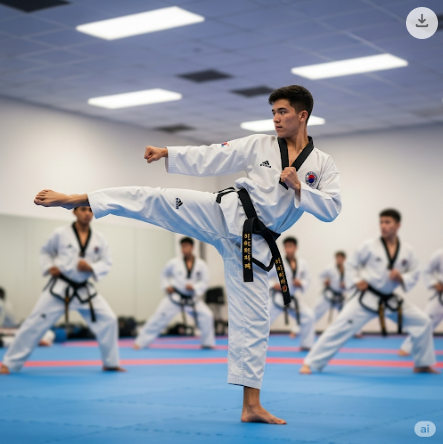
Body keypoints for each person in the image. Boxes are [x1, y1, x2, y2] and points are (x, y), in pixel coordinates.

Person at [33, 85, 341, 424]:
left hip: (254, 247)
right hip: (222, 212)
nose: (276, 119)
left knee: (255, 323)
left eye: (282, 112)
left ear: (302, 115)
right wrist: (168, 152)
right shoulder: (259, 144)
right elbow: (213, 155)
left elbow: (332, 209)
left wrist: (300, 186)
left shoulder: (322, 164)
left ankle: (251, 405)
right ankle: (80, 198)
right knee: (154, 198)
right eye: (273, 112)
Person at [300, 209, 438, 375]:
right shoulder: (369, 246)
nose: (383, 226)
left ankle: (423, 363)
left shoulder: (407, 251)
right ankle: (310, 362)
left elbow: (416, 272)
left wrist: (402, 277)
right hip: (366, 298)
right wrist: (356, 281)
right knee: (339, 327)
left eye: (388, 222)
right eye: (381, 222)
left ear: (398, 225)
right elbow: (351, 265)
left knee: (423, 322)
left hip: (389, 299)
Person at [0, 206, 124, 374]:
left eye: (90, 210)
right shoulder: (60, 233)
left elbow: (107, 261)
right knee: (34, 323)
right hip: (60, 288)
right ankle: (9, 363)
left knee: (109, 319)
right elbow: (45, 252)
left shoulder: (99, 238)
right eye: (83, 209)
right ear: (74, 212)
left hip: (83, 290)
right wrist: (49, 266)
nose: (87, 213)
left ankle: (110, 363)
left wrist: (91, 267)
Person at [133, 237, 215, 349]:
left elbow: (205, 281)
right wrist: (167, 286)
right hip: (175, 297)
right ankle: (141, 342)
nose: (184, 249)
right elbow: (163, 274)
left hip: (192, 299)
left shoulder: (201, 265)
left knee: (207, 315)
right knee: (158, 317)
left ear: (192, 247)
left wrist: (195, 287)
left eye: (186, 246)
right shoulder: (174, 263)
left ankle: (207, 343)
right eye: (182, 247)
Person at [269, 237, 314, 350]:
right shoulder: (277, 261)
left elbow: (307, 279)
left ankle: (306, 345)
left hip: (292, 298)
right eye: (286, 246)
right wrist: (273, 284)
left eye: (290, 246)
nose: (288, 249)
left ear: (295, 248)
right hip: (278, 298)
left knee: (309, 316)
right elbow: (265, 277)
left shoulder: (302, 264)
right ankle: (257, 347)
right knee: (264, 320)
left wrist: (301, 283)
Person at [399, 249, 443, 356]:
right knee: (426, 321)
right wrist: (434, 283)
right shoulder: (440, 254)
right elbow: (426, 270)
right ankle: (408, 347)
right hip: (440, 296)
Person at [314, 251, 347, 324]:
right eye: (338, 258)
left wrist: (345, 285)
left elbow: (351, 282)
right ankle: (301, 328)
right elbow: (320, 276)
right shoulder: (329, 268)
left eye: (341, 258)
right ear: (336, 258)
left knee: (346, 314)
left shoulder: (347, 269)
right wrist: (324, 281)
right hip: (329, 294)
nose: (339, 260)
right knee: (317, 311)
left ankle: (352, 330)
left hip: (340, 296)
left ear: (344, 259)